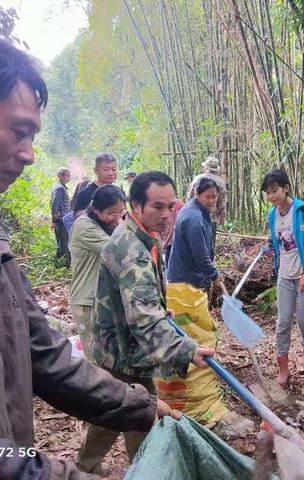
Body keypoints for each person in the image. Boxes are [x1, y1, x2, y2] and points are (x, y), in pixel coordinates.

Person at [0, 38, 181, 479]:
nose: (28, 154)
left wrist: (141, 406)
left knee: (113, 420)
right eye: (19, 131)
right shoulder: (119, 241)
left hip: (119, 365)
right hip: (118, 349)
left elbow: (45, 357)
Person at [81, 171, 214, 474]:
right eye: (157, 206)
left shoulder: (139, 235)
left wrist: (157, 306)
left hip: (115, 345)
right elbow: (144, 321)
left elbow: (140, 301)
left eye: (171, 206)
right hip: (127, 352)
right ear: (136, 206)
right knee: (141, 419)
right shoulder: (132, 251)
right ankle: (143, 469)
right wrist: (186, 350)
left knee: (110, 408)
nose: (167, 215)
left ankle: (87, 465)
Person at [165, 177, 247, 429]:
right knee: (196, 339)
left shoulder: (199, 212)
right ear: (196, 193)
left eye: (215, 197)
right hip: (183, 287)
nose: (212, 201)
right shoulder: (191, 217)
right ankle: (194, 405)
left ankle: (196, 399)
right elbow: (201, 257)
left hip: (189, 284)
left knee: (199, 334)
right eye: (208, 196)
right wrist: (215, 273)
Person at [262, 169, 304, 385]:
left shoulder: (303, 211)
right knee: (283, 322)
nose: (271, 196)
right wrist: (269, 248)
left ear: (285, 188)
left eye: (274, 191)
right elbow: (277, 241)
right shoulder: (272, 215)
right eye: (267, 193)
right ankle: (283, 367)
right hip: (284, 276)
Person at [69, 185, 126, 362]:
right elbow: (121, 252)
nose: (117, 218)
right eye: (111, 213)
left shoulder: (101, 224)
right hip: (87, 303)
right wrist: (123, 227)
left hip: (101, 301)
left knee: (110, 361)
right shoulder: (85, 226)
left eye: (121, 212)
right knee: (96, 362)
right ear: (95, 209)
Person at [187, 156, 227, 247]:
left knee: (195, 244)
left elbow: (189, 197)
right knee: (209, 244)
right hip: (211, 218)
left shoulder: (197, 179)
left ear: (206, 168)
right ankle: (209, 260)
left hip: (194, 217)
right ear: (217, 169)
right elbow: (222, 203)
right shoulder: (220, 182)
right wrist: (222, 217)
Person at [51, 166, 71, 265]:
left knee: (61, 241)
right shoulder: (59, 188)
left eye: (69, 175)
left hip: (62, 219)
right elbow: (54, 205)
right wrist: (54, 221)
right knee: (64, 242)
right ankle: (64, 264)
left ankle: (59, 263)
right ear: (60, 176)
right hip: (61, 219)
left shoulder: (60, 187)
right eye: (67, 175)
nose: (69, 177)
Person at [159, 197, 184, 269]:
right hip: (165, 242)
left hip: (175, 241)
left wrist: (164, 244)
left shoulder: (176, 205)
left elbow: (173, 228)